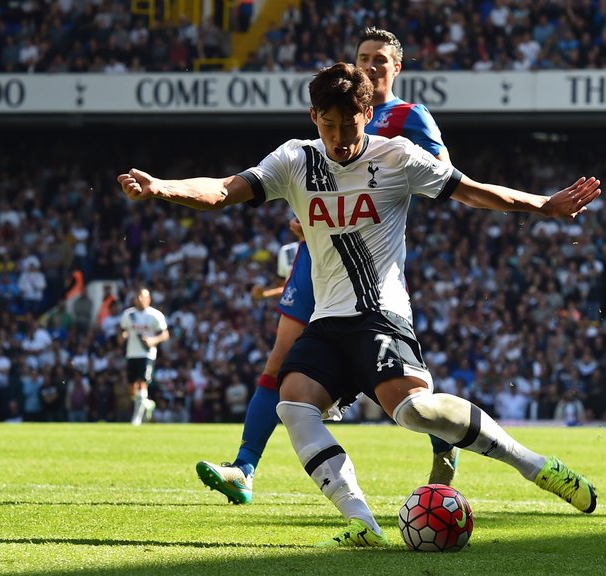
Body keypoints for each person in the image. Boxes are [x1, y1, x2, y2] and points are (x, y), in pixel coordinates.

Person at [117, 62, 601, 547]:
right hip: (327, 321)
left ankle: (537, 467)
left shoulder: (397, 156)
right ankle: (363, 524)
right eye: (329, 125)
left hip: (379, 314)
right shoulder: (294, 160)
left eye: (349, 125)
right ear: (314, 117)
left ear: (367, 113)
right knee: (294, 404)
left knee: (411, 412)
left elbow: (472, 191)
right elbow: (222, 190)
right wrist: (161, 187)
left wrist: (544, 205)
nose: (340, 137)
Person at [195, 27, 459, 506]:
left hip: (371, 262)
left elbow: (439, 180)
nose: (372, 65)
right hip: (317, 255)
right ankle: (244, 467)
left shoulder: (410, 118)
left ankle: (441, 436)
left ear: (397, 67)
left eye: (381, 59)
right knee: (281, 359)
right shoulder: (333, 119)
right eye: (364, 57)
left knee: (389, 383)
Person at [118, 286, 170, 425]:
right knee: (131, 388)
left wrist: (153, 341)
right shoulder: (128, 314)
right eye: (138, 297)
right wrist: (122, 337)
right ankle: (146, 404)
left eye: (143, 297)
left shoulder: (155, 315)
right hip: (131, 353)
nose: (140, 299)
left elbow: (164, 334)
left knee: (142, 383)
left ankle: (137, 419)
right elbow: (123, 331)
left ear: (149, 299)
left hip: (146, 353)